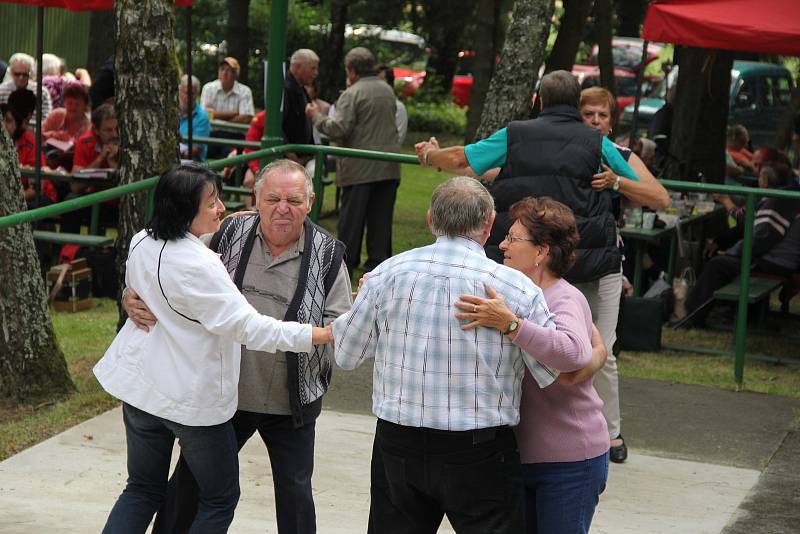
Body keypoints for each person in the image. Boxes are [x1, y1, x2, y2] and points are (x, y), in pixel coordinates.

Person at [415, 71, 656, 464]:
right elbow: (655, 194)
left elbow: (463, 160)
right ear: (577, 106)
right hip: (587, 260)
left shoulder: (515, 134)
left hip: (523, 259)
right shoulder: (599, 142)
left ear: (537, 100)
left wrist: (428, 155)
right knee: (597, 350)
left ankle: (500, 419)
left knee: (509, 340)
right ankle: (610, 435)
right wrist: (616, 183)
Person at [93, 163, 333, 533]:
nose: (222, 208)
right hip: (190, 399)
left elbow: (138, 275)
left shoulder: (143, 239)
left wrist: (131, 293)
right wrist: (319, 335)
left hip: (142, 390)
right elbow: (248, 327)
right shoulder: (202, 263)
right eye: (212, 203)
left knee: (141, 489)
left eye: (293, 199)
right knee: (218, 498)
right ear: (186, 211)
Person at [332, 176, 559, 533]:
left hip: (398, 442)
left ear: (430, 220)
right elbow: (549, 369)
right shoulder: (516, 287)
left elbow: (346, 354)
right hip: (479, 448)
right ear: (488, 225)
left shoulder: (386, 274)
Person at [453, 196, 610, 534]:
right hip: (516, 458)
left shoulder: (564, 298)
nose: (502, 244)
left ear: (542, 252)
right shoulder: (510, 294)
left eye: (513, 238)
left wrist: (512, 326)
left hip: (568, 462)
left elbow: (573, 354)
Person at [306, 47, 400, 275]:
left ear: (352, 70)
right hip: (388, 166)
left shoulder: (352, 93)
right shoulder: (387, 90)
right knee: (381, 220)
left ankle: (346, 259)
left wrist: (316, 116)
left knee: (351, 220)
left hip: (359, 167)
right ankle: (378, 262)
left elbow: (339, 129)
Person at [686, 163, 800, 326]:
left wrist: (732, 252)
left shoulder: (775, 202)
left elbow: (760, 240)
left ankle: (691, 316)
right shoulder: (784, 198)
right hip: (781, 259)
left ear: (765, 182)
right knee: (723, 261)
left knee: (717, 265)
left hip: (775, 262)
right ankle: (728, 310)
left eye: (760, 177)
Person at [62, 103, 119, 233]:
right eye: (108, 130)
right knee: (71, 201)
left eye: (116, 128)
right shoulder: (85, 142)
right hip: (92, 199)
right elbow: (75, 186)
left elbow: (125, 188)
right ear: (96, 130)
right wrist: (100, 158)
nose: (114, 134)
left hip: (117, 204)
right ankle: (69, 250)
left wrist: (112, 162)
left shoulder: (127, 143)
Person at [2, 88, 57, 206]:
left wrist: (8, 201)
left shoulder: (29, 143)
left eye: (8, 120)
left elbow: (37, 188)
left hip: (37, 196)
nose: (3, 125)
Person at [42, 81, 91, 170]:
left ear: (85, 106)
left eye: (77, 104)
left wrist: (73, 143)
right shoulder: (56, 115)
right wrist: (54, 135)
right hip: (48, 160)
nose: (73, 107)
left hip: (73, 164)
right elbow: (39, 136)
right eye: (69, 103)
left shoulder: (89, 126)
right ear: (64, 103)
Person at [200, 56, 254, 124]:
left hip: (236, 133)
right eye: (222, 69)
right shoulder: (208, 88)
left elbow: (246, 118)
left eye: (229, 70)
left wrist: (216, 116)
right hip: (212, 132)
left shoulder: (245, 91)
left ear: (236, 75)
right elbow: (205, 115)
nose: (224, 73)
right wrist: (235, 113)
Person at [0, 53, 52, 118]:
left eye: (25, 74)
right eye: (17, 74)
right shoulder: (1, 91)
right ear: (11, 73)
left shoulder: (41, 92)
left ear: (31, 73)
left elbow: (46, 118)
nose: (21, 78)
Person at [178, 74, 210, 161]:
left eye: (192, 93)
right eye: (186, 92)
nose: (188, 97)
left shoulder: (202, 117)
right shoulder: (172, 111)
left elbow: (197, 148)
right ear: (179, 91)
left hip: (192, 163)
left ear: (197, 95)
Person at [377, 65, 408, 144]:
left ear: (389, 83)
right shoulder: (366, 105)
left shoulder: (398, 107)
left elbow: (398, 139)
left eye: (380, 80)